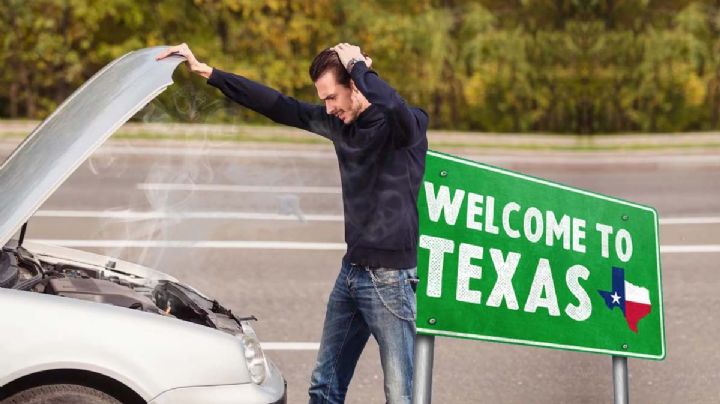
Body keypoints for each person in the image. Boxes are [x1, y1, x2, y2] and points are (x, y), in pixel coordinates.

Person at [157, 42, 428, 404]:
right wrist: (210, 73)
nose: (329, 108)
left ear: (357, 85)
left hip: (391, 279)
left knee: (400, 396)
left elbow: (394, 107)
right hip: (352, 274)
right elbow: (278, 106)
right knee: (324, 387)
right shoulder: (342, 126)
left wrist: (359, 66)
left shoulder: (406, 127)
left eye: (333, 97)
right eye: (324, 100)